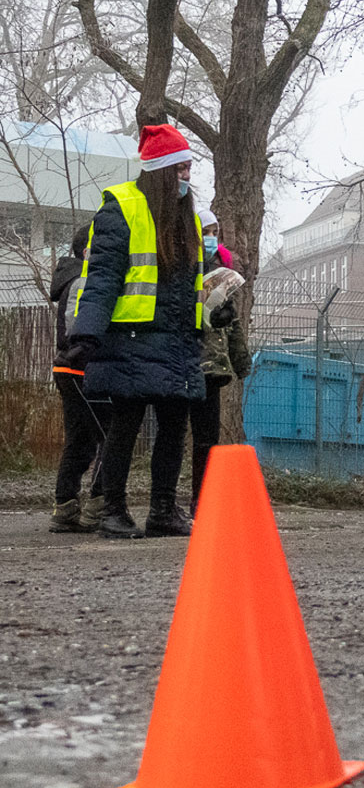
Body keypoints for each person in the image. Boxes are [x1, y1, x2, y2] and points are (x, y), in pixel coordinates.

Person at [59, 123, 207, 539]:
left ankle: (162, 509)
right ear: (161, 170)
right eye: (180, 169)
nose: (187, 177)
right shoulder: (120, 209)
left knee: (174, 424)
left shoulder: (186, 219)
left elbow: (191, 285)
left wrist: (215, 314)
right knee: (125, 424)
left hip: (175, 340)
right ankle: (113, 508)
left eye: (189, 168)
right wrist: (85, 334)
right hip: (131, 336)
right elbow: (102, 278)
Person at [48, 225, 111, 532]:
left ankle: (66, 505)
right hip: (80, 369)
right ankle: (98, 503)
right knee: (109, 436)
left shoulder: (71, 278)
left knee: (80, 441)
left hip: (68, 369)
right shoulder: (85, 279)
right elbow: (80, 325)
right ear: (88, 251)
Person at [188, 209, 251, 513]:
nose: (210, 238)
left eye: (214, 232)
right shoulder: (181, 268)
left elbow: (233, 322)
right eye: (206, 232)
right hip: (185, 361)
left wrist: (240, 359)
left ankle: (202, 499)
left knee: (207, 438)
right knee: (175, 436)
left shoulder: (219, 271)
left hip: (212, 365)